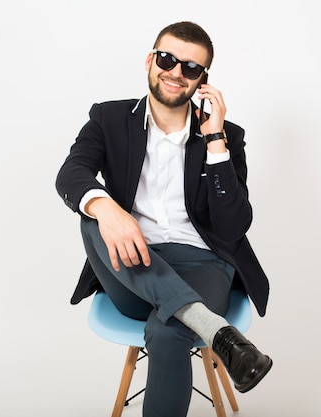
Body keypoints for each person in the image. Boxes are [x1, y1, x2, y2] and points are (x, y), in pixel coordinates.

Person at [55, 21, 272, 417]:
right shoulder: (109, 119)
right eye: (167, 59)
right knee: (93, 214)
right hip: (132, 264)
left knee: (168, 330)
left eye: (191, 68)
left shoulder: (226, 135)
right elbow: (72, 175)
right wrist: (108, 210)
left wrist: (215, 140)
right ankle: (216, 331)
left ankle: (196, 318)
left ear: (203, 80)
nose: (176, 73)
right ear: (149, 61)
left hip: (204, 264)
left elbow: (232, 227)